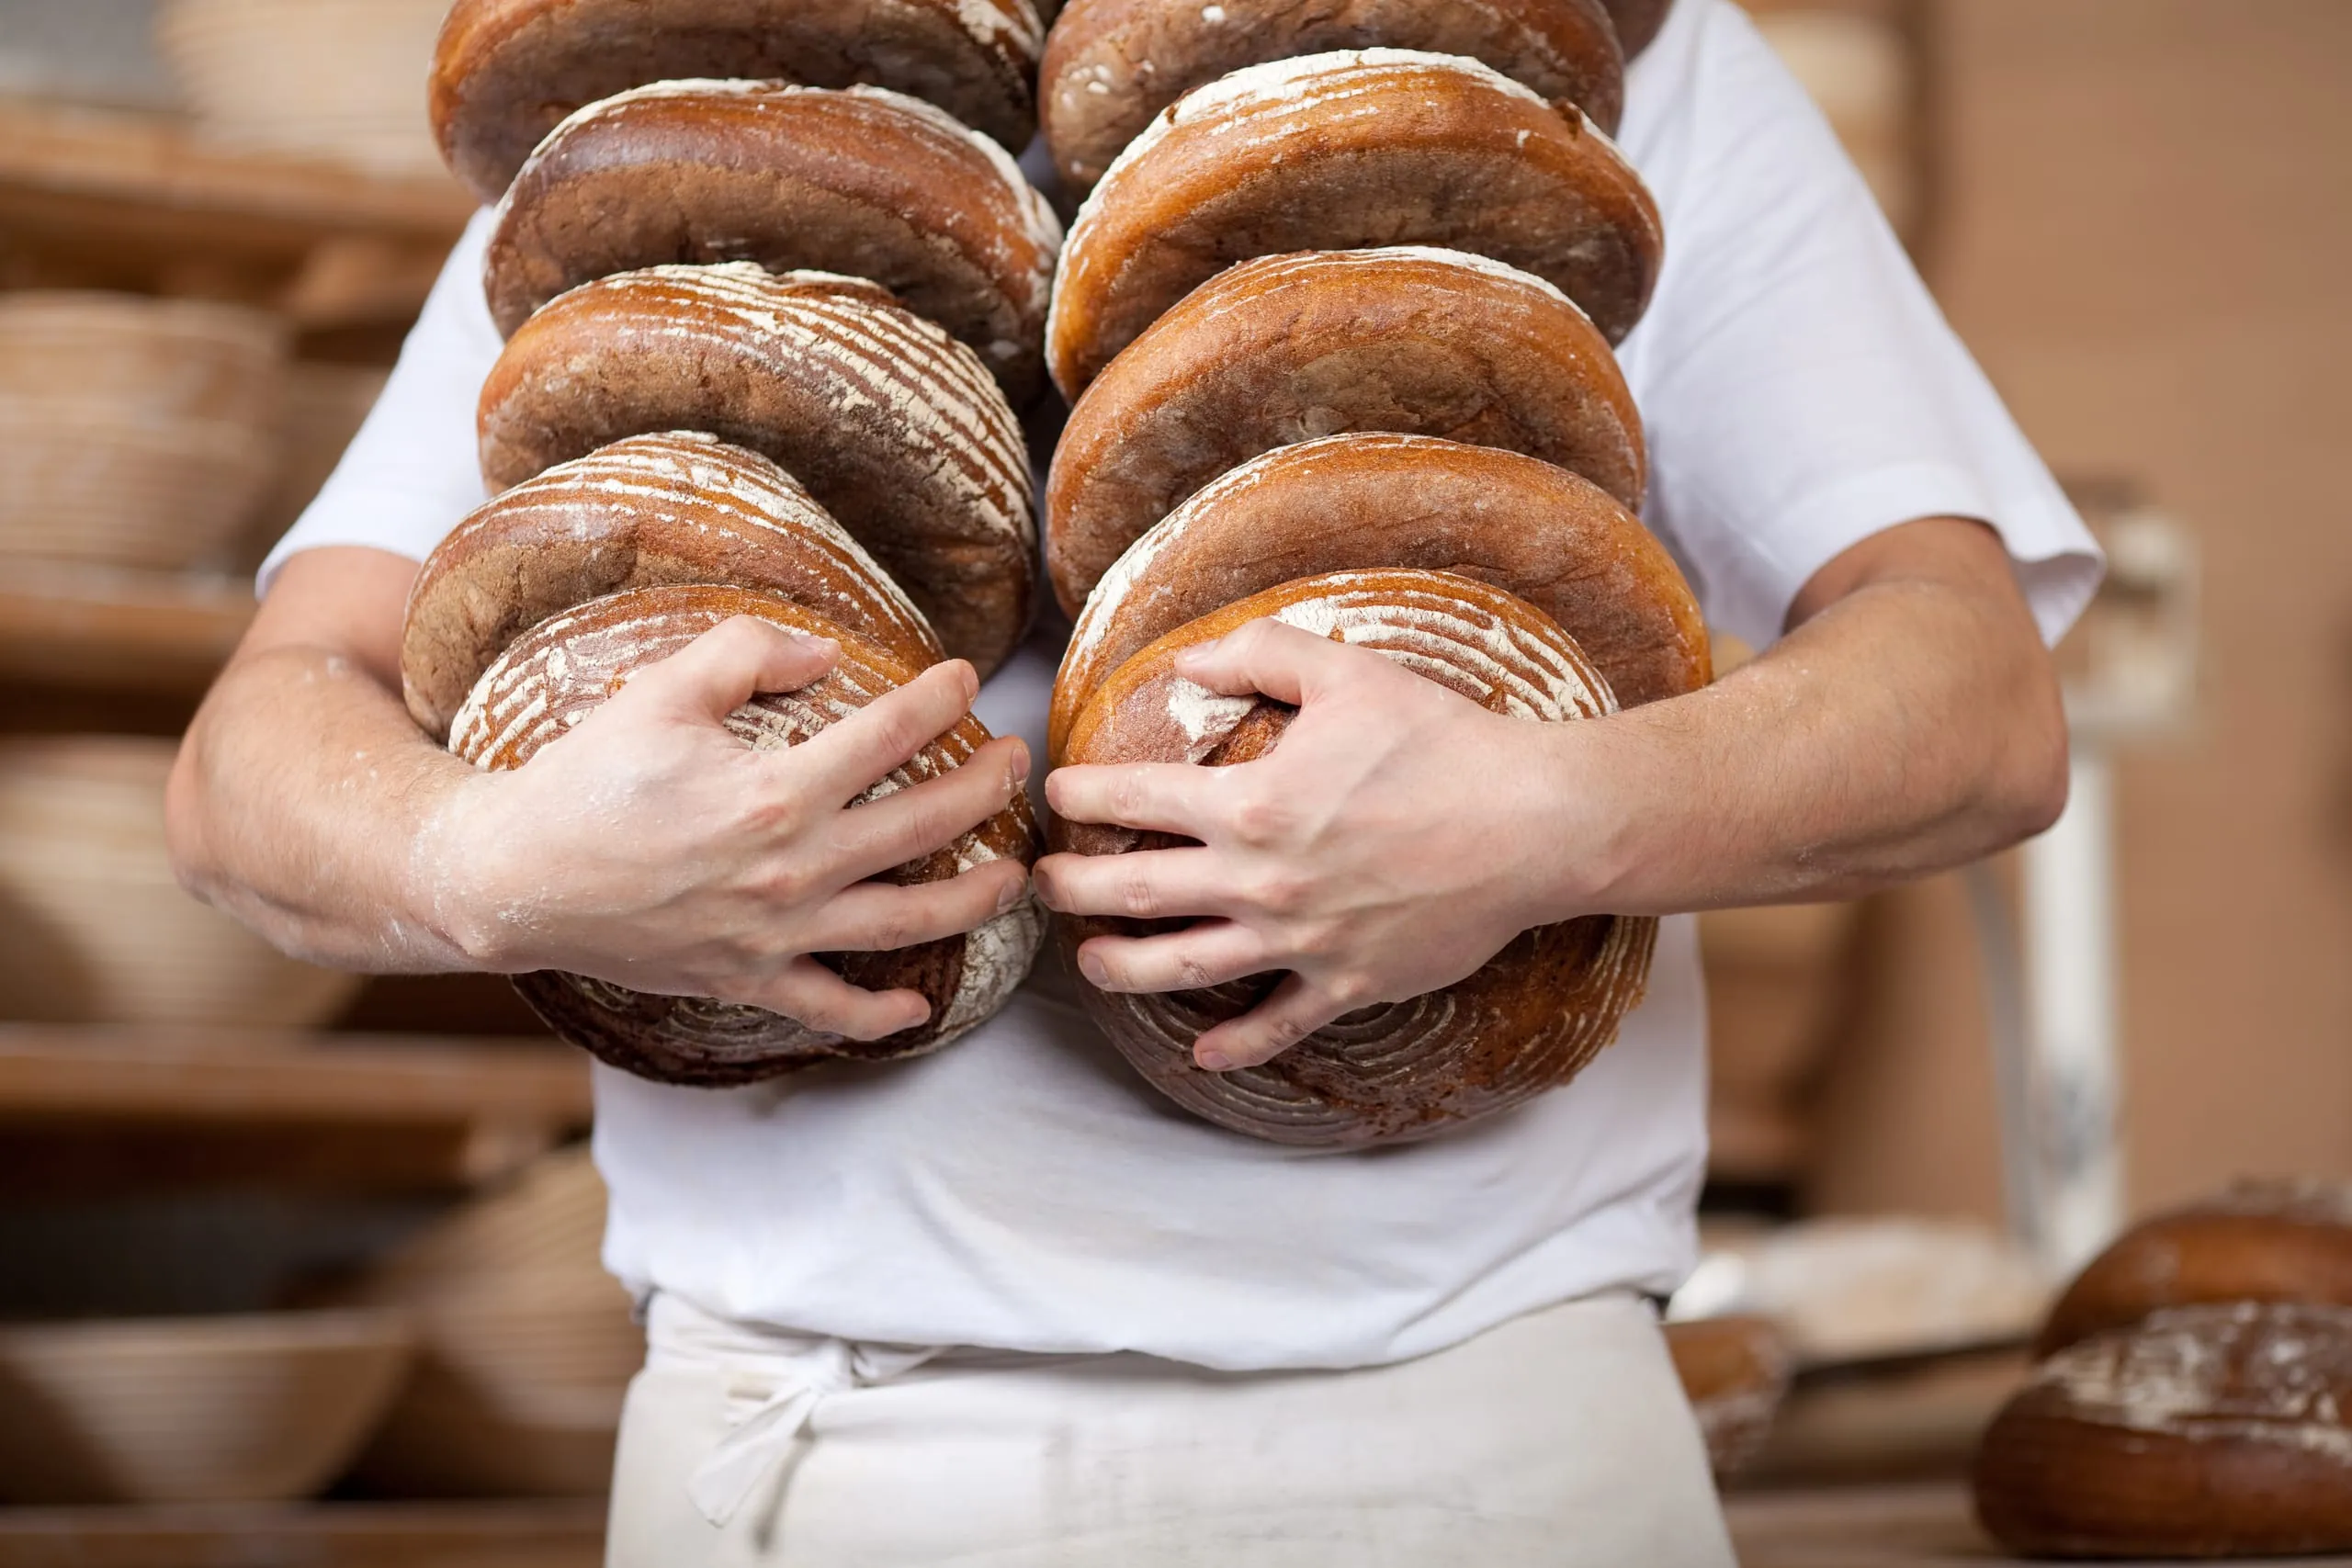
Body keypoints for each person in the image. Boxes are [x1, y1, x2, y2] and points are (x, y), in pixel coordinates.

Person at [166, 1, 2100, 1562]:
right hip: (802, 1457)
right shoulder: (668, 105)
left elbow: (1974, 701)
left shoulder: (1601, 65)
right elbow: (257, 752)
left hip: (1462, 1455)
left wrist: (1545, 820)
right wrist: (488, 856)